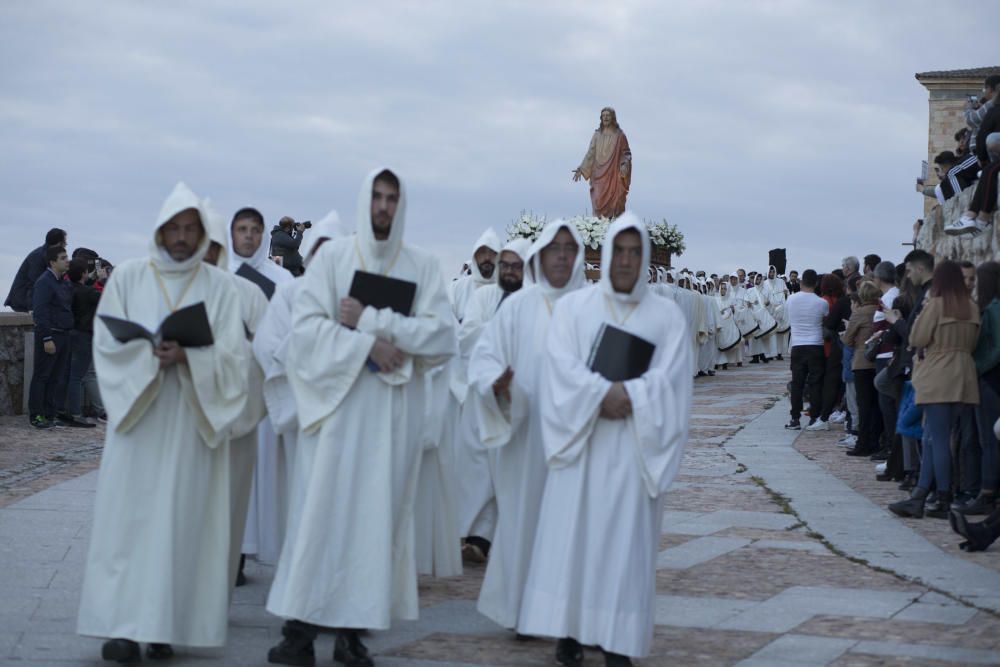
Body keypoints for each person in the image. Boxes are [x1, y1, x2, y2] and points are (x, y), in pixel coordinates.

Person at [265, 168, 456, 666]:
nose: (384, 206)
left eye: (393, 198)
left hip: (393, 417)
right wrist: (368, 347)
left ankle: (353, 633)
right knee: (319, 518)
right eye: (377, 196)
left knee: (376, 524)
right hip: (337, 413)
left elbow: (441, 338)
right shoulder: (332, 260)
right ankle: (299, 632)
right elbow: (305, 334)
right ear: (364, 201)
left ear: (402, 204)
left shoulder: (423, 267)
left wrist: (373, 321)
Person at [77, 183, 249, 661]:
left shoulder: (219, 288)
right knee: (129, 524)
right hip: (142, 421)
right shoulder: (131, 277)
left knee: (182, 522)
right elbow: (108, 343)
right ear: (160, 229)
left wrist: (191, 359)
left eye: (190, 228)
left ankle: (165, 624)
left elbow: (235, 359)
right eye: (173, 227)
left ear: (201, 234)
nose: (181, 236)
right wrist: (150, 356)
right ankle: (122, 627)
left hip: (192, 423)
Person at [518, 215, 691, 666]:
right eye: (621, 250)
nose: (627, 260)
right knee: (573, 543)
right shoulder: (576, 309)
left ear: (645, 258)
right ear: (608, 253)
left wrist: (628, 394)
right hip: (583, 446)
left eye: (636, 252)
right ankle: (570, 634)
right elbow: (559, 367)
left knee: (623, 552)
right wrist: (600, 395)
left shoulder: (666, 316)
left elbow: (672, 383)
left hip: (633, 452)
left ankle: (618, 641)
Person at [467, 222, 584, 631]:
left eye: (571, 248)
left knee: (571, 530)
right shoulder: (518, 307)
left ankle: (567, 618)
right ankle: (521, 610)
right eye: (555, 248)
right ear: (540, 256)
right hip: (524, 436)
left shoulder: (590, 306)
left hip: (577, 443)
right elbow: (485, 356)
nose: (563, 256)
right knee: (523, 523)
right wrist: (493, 383)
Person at [416, 237, 530, 575]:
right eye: (504, 265)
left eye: (514, 265)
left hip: (522, 395)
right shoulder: (482, 297)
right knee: (478, 468)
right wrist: (501, 347)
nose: (507, 271)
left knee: (511, 470)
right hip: (482, 392)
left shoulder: (532, 301)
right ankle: (477, 535)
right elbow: (468, 336)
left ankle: (497, 536)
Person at [200, 201, 271, 591]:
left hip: (236, 414)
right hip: (188, 417)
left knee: (231, 503)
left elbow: (266, 352)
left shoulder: (250, 292)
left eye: (213, 249)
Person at [889, 260, 980, 519]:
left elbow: (916, 338)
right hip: (963, 374)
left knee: (936, 439)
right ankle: (919, 495)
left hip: (938, 372)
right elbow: (973, 343)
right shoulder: (971, 308)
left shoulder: (937, 305)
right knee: (934, 436)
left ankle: (941, 497)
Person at [446, 226, 502, 561]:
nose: (485, 261)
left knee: (486, 467)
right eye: (481, 255)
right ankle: (460, 531)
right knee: (460, 463)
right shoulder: (459, 289)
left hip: (491, 389)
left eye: (491, 256)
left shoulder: (503, 292)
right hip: (459, 387)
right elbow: (455, 333)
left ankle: (482, 535)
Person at [957, 261, 1000, 516]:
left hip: (988, 379)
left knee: (987, 439)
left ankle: (987, 492)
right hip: (986, 378)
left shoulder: (994, 309)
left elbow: (996, 349)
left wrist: (977, 367)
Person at [27, 245, 73, 429]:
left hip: (64, 335)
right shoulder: (44, 282)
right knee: (42, 376)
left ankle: (49, 414)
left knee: (56, 377)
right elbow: (40, 312)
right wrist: (47, 338)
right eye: (63, 258)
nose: (67, 260)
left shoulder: (62, 282)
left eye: (66, 257)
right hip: (51, 334)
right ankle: (36, 416)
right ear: (53, 262)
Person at [784, 269, 828, 430]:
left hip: (797, 344)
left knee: (797, 383)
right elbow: (825, 318)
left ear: (801, 282)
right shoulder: (822, 302)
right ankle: (814, 417)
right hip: (816, 344)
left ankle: (795, 418)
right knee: (816, 383)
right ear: (816, 283)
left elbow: (787, 316)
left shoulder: (791, 299)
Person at [841, 281, 882, 455]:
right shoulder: (880, 311)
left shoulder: (860, 313)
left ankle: (863, 443)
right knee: (876, 405)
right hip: (878, 361)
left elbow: (847, 340)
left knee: (863, 405)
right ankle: (876, 440)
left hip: (862, 360)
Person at [63, 258, 103, 427]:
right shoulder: (88, 293)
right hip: (84, 335)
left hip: (70, 333)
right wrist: (104, 279)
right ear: (83, 274)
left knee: (70, 374)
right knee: (77, 376)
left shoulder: (67, 288)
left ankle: (65, 411)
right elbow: (107, 298)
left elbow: (82, 289)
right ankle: (76, 414)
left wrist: (92, 279)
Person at [572, 107, 631, 219]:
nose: (605, 118)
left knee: (615, 203)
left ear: (613, 117)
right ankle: (599, 227)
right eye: (603, 116)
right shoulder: (597, 135)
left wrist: (624, 164)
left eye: (608, 115)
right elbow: (590, 153)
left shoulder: (620, 136)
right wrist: (582, 168)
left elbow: (626, 153)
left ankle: (614, 225)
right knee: (598, 199)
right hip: (598, 175)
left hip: (613, 175)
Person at [5, 228, 67, 312]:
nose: (66, 244)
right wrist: (32, 309)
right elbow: (34, 284)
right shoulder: (37, 257)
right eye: (64, 242)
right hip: (23, 301)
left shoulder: (45, 255)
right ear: (59, 244)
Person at [447, 227, 501, 322]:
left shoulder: (508, 291)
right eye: (482, 252)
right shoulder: (456, 289)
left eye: (492, 253)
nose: (487, 257)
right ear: (475, 256)